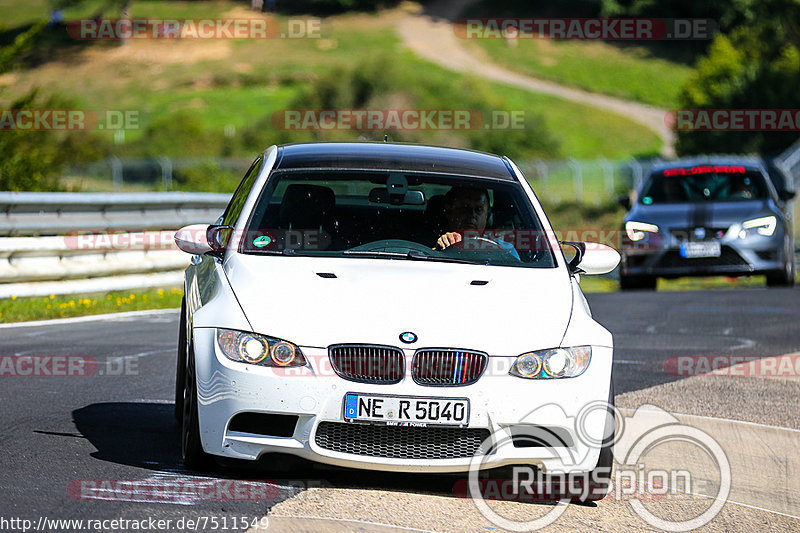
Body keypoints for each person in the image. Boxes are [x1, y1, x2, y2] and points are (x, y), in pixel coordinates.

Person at [434, 187, 520, 259]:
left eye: (478, 209)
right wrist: (437, 251)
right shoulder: (428, 245)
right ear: (449, 212)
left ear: (487, 215)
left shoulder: (505, 250)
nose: (472, 214)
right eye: (465, 208)